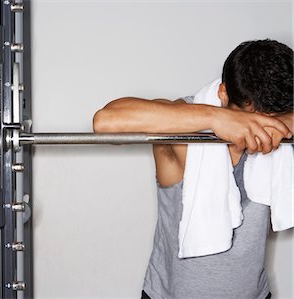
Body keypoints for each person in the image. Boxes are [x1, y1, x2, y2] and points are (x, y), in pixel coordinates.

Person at [93, 39, 293, 299]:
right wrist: (215, 117)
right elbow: (105, 121)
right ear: (223, 94)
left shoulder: (282, 130)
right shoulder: (181, 126)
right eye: (247, 119)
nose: (258, 133)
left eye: (268, 122)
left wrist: (286, 122)